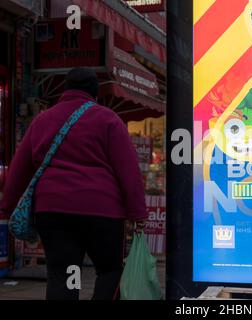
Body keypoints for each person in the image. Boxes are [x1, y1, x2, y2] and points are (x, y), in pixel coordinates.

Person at [0, 67, 148, 300]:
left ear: (65, 90)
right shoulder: (108, 119)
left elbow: (19, 167)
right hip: (102, 212)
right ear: (95, 93)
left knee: (64, 274)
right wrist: (137, 212)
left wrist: (7, 207)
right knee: (110, 270)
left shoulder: (42, 120)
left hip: (53, 211)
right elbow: (128, 170)